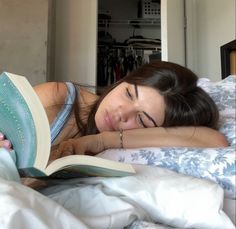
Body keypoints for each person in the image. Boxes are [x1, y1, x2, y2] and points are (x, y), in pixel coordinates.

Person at [0, 61, 228, 161]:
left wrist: (103, 141)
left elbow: (215, 140)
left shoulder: (119, 142)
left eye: (142, 119)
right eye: (129, 94)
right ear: (123, 80)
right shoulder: (58, 97)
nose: (121, 113)